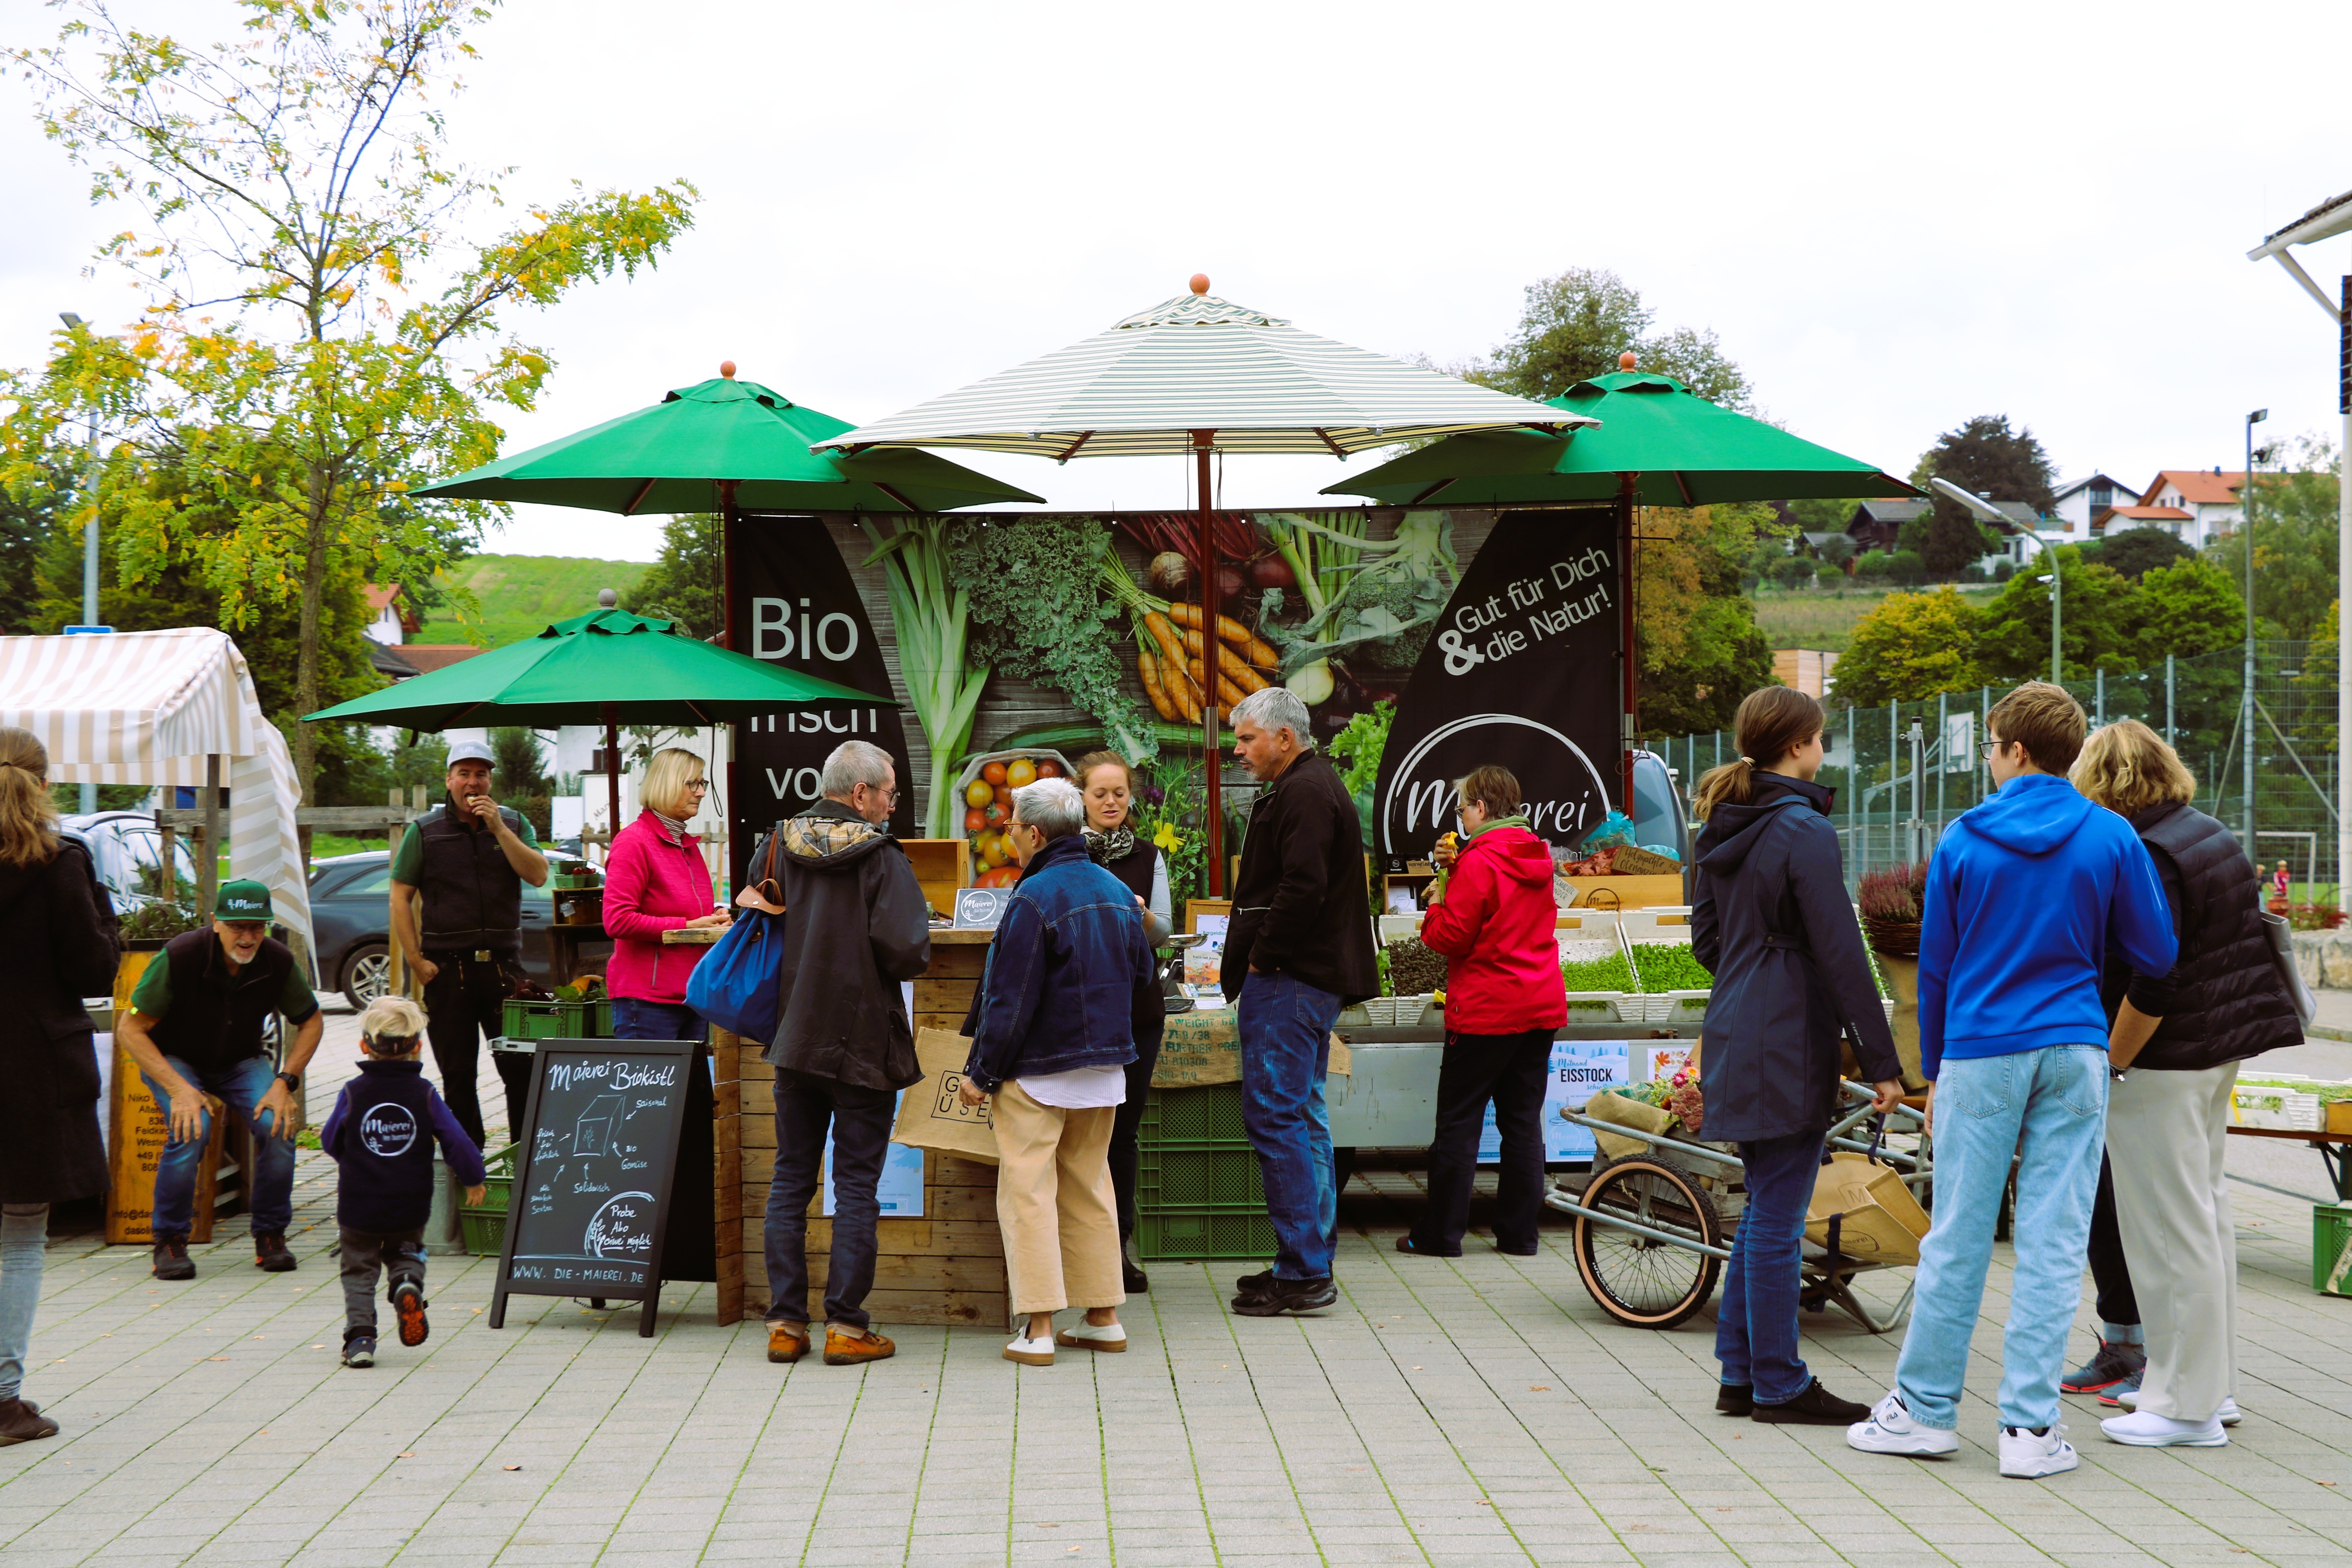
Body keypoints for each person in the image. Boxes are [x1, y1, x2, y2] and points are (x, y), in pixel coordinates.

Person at [1848, 682, 2175, 1481]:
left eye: (1992, 746)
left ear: (2016, 751)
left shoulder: (1964, 838)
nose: (1989, 758)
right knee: (2056, 1239)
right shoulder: (2111, 835)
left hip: (1982, 1050)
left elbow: (1937, 968)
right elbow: (2158, 952)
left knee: (1958, 1231)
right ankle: (2030, 1430)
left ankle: (1923, 1410)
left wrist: (1932, 1074)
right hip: (2074, 1047)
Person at [2071, 720, 2299, 1448]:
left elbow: (2154, 975)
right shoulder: (2207, 832)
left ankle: (2182, 1406)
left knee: (2166, 1230)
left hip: (2162, 1061)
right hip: (2212, 1054)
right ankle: (2209, 1387)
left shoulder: (2147, 850)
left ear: (2104, 782)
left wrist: (2112, 1059)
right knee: (2203, 1219)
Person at [1687, 689, 1904, 1425]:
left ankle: (1741, 1374)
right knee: (1778, 1216)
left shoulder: (1722, 824)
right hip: (1786, 1036)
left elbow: (1707, 945)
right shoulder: (1804, 829)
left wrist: (1757, 976)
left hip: (1737, 1024)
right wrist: (1883, 1062)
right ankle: (1778, 1381)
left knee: (1764, 1207)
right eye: (1821, 737)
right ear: (1800, 745)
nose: (1824, 747)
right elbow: (1843, 955)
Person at [959, 777, 1159, 1366]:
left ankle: (1039, 1327)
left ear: (1036, 833)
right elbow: (1144, 977)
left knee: (1029, 1192)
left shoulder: (1032, 897)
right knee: (1090, 1187)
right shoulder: (1119, 891)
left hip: (1038, 1071)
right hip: (1104, 1068)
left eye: (1015, 829)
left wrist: (981, 1072)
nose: (1011, 837)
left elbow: (1009, 1000)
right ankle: (1103, 1318)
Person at [759, 740, 931, 1368]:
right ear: (859, 795)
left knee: (789, 1180)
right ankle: (846, 1328)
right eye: (888, 793)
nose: (891, 805)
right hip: (863, 1042)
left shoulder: (777, 843)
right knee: (856, 1185)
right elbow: (908, 951)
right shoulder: (882, 858)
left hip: (794, 1037)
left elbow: (757, 915)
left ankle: (784, 1324)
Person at [1220, 687, 1379, 1318]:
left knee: (1276, 1116)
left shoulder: (1306, 791)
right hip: (1306, 976)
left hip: (1291, 978)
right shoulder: (1307, 786)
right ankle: (1308, 1259)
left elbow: (1303, 884)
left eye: (1247, 738)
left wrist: (1265, 956)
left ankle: (1305, 1271)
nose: (1238, 750)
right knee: (1303, 1113)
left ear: (1285, 737)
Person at [0, 728, 119, 1445]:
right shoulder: (60, 861)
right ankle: (4, 1399)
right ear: (44, 784)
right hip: (32, 1071)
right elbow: (92, 971)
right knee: (19, 1235)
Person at [117, 878, 325, 1281]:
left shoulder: (277, 960)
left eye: (257, 927)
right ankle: (170, 1240)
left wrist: (286, 1080)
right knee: (193, 1126)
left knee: (277, 1124)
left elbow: (312, 1020)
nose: (247, 937)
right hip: (174, 1058)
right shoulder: (180, 956)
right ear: (215, 922)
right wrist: (179, 1088)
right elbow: (130, 1029)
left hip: (240, 1060)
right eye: (237, 926)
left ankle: (270, 1235)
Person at [1401, 765, 1567, 1260]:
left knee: (1459, 1123)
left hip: (1487, 1009)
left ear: (1481, 808)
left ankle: (1441, 1235)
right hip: (1539, 1005)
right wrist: (1448, 868)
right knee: (1522, 1123)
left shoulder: (1480, 861)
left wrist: (1433, 905)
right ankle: (1519, 1235)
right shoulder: (1538, 854)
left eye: (1462, 808)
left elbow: (1449, 937)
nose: (1460, 817)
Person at [388, 739, 550, 1149]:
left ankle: (523, 1165)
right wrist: (416, 961)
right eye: (465, 774)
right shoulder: (425, 830)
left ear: (491, 780)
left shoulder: (513, 823)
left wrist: (498, 828)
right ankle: (469, 1170)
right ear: (449, 780)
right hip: (447, 969)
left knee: (521, 1071)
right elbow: (399, 896)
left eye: (481, 774)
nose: (473, 783)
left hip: (504, 968)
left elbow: (538, 874)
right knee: (458, 1076)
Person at [319, 996, 486, 1369]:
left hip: (359, 1202)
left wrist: (353, 1161)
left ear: (364, 1046)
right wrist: (474, 1178)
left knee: (359, 1268)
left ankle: (361, 1339)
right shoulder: (423, 1093)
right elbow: (457, 1139)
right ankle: (407, 1282)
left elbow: (329, 1139)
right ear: (419, 1047)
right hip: (410, 1201)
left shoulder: (353, 1092)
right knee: (406, 1250)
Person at [1073, 749, 1171, 1292]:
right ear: (1081, 798)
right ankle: (1075, 1247)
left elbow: (1164, 933)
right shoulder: (1063, 854)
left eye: (1119, 793)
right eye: (1100, 793)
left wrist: (1142, 914)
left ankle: (1117, 1250)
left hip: (1136, 1010)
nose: (1111, 802)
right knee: (1077, 1131)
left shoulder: (1148, 856)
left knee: (1122, 1134)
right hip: (1079, 1009)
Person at [603, 746, 729, 1040]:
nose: (701, 793)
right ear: (667, 784)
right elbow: (617, 921)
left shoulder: (689, 846)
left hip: (692, 995)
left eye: (702, 784)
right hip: (647, 1001)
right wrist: (687, 927)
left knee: (689, 1088)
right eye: (692, 784)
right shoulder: (633, 843)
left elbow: (687, 913)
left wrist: (713, 918)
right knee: (646, 1089)